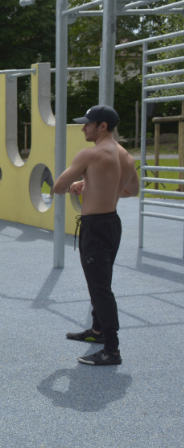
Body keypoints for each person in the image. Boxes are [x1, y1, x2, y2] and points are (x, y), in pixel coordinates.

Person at [53, 105, 139, 366]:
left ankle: (112, 350)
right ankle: (98, 330)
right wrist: (91, 184)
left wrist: (77, 182)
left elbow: (58, 187)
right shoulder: (126, 156)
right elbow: (131, 190)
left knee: (100, 287)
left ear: (103, 126)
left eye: (88, 124)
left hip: (95, 227)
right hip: (112, 223)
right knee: (100, 281)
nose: (83, 128)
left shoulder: (90, 154)